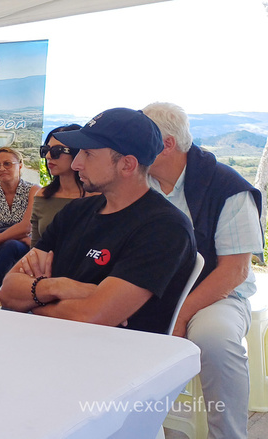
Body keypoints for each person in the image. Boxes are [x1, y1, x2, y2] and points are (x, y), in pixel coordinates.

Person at [0, 107, 197, 335]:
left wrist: (33, 305)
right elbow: (8, 291)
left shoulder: (164, 228)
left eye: (88, 154)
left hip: (118, 361)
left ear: (127, 164)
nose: (76, 164)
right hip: (54, 345)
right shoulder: (75, 212)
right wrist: (59, 287)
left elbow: (92, 317)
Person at [144, 102, 261, 438]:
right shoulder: (139, 184)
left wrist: (179, 317)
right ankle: (141, 428)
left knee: (214, 339)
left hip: (216, 295)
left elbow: (234, 272)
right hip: (152, 287)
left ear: (166, 144)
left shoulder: (227, 187)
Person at [0, 147, 40, 303]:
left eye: (7, 163)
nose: (2, 168)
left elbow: (26, 227)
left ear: (20, 165)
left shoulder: (33, 190)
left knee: (12, 246)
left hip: (17, 244)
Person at [30, 124, 92, 247]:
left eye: (56, 151)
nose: (48, 156)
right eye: (45, 150)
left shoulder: (98, 198)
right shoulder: (43, 195)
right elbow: (35, 247)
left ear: (77, 152)